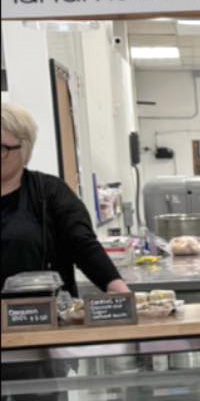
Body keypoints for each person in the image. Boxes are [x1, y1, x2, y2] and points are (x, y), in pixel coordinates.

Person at [1, 102, 131, 296]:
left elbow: (83, 246)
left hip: (42, 317)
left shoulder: (50, 192)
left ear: (24, 148)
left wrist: (120, 292)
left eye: (2, 148)